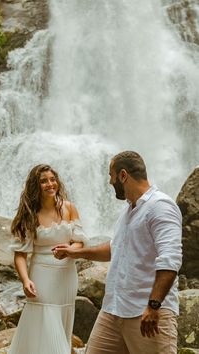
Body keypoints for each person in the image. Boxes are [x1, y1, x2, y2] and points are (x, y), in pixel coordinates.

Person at [53, 151, 182, 354]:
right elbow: (116, 247)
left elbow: (170, 259)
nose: (110, 182)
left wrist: (154, 306)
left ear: (123, 175)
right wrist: (76, 253)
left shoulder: (160, 206)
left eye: (111, 176)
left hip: (145, 312)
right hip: (113, 310)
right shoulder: (128, 210)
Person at [8, 164, 88, 354]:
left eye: (52, 179)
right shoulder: (30, 214)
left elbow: (80, 242)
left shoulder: (69, 208)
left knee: (61, 321)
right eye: (43, 181)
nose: (50, 184)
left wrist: (70, 249)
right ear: (36, 186)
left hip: (67, 275)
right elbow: (20, 254)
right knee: (46, 322)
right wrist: (26, 280)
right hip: (41, 276)